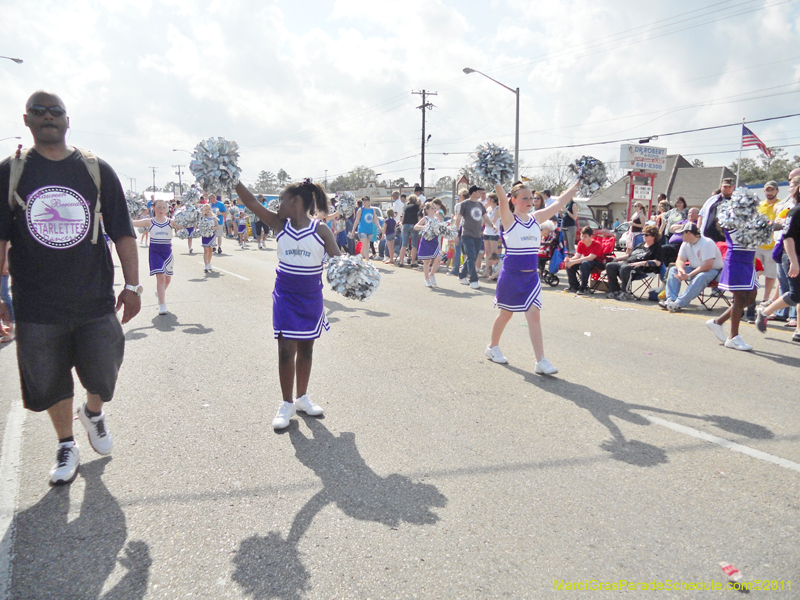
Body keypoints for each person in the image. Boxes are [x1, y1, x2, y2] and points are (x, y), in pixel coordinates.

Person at [0, 90, 141, 485]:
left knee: (104, 371)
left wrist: (133, 286)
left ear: (67, 120)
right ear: (26, 120)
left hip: (95, 300)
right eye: (39, 112)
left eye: (55, 111)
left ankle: (93, 412)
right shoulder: (11, 173)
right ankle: (66, 443)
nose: (48, 117)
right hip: (36, 305)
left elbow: (123, 234)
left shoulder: (96, 170)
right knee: (49, 380)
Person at [236, 179, 338, 430]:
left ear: (295, 202)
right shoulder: (278, 224)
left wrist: (355, 276)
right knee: (285, 350)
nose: (276, 204)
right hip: (285, 295)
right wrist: (231, 178)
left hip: (311, 297)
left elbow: (339, 260)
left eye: (281, 200)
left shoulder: (321, 230)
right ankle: (286, 403)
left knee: (306, 349)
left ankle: (302, 398)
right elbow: (251, 202)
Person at [484, 180, 580, 374]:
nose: (529, 201)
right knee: (506, 314)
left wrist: (575, 186)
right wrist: (497, 183)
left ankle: (540, 361)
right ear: (514, 200)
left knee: (534, 316)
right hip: (511, 276)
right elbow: (502, 199)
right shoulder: (509, 219)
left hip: (531, 278)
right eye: (524, 198)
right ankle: (492, 347)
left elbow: (558, 204)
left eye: (531, 198)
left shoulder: (536, 218)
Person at [705, 208, 760, 351]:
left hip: (748, 263)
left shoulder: (748, 223)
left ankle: (718, 322)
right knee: (740, 298)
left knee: (751, 298)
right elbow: (752, 231)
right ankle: (733, 337)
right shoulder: (732, 225)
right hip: (737, 263)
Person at [756, 181, 800, 342]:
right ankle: (765, 312)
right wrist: (794, 262)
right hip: (792, 256)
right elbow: (788, 238)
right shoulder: (795, 212)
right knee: (795, 294)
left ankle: (798, 331)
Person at [132, 199, 181, 315]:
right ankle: (162, 305)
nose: (161, 210)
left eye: (164, 207)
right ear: (153, 208)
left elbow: (186, 224)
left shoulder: (171, 222)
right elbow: (133, 222)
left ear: (167, 209)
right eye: (159, 207)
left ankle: (160, 293)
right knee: (161, 277)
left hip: (167, 253)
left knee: (168, 279)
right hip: (155, 252)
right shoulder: (149, 222)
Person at [660, 223, 723, 311]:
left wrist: (689, 275)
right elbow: (680, 260)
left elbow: (707, 266)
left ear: (689, 233)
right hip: (695, 268)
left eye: (682, 233)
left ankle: (679, 303)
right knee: (673, 269)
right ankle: (671, 300)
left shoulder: (707, 243)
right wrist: (681, 270)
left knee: (701, 276)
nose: (680, 235)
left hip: (714, 271)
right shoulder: (685, 243)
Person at [605, 225, 663, 300]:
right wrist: (616, 259)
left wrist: (641, 263)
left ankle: (625, 292)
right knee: (610, 265)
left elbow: (658, 262)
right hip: (627, 265)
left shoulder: (657, 248)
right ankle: (615, 290)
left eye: (646, 235)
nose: (643, 236)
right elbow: (629, 255)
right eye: (643, 234)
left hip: (640, 269)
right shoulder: (640, 245)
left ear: (654, 236)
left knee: (625, 268)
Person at [455, 185, 492, 289]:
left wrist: (492, 225)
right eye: (479, 191)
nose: (481, 193)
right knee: (471, 257)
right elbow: (458, 220)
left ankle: (462, 275)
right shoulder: (464, 204)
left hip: (477, 235)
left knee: (473, 257)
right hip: (467, 235)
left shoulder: (480, 205)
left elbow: (486, 218)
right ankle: (473, 280)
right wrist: (455, 234)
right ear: (474, 193)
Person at [564, 226, 604, 294]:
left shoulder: (597, 244)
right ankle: (574, 285)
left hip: (598, 262)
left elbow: (590, 257)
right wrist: (569, 260)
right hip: (586, 262)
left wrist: (573, 262)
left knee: (584, 263)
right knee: (570, 264)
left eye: (585, 236)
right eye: (582, 236)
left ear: (591, 236)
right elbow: (577, 256)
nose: (583, 238)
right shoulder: (580, 243)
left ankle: (583, 287)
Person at [414, 201, 444, 287]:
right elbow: (416, 227)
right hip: (426, 241)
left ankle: (432, 274)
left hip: (434, 241)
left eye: (435, 208)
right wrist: (424, 227)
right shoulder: (425, 218)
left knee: (438, 258)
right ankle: (426, 279)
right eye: (432, 208)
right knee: (426, 262)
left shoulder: (437, 219)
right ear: (427, 210)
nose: (434, 210)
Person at [699, 178, 734, 243]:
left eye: (730, 187)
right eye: (725, 187)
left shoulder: (736, 201)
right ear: (721, 186)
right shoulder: (712, 199)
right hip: (706, 238)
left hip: (724, 240)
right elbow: (701, 215)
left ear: (733, 187)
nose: (727, 189)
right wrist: (698, 231)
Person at [448, 188, 469, 275]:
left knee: (459, 250)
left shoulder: (460, 205)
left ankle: (456, 269)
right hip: (466, 228)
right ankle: (463, 269)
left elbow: (458, 219)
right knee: (464, 250)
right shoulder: (469, 205)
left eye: (459, 195)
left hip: (461, 228)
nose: (458, 197)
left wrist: (453, 218)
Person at [350, 196, 378, 260]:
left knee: (365, 246)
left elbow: (376, 220)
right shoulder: (361, 210)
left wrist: (379, 227)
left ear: (369, 202)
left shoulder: (372, 210)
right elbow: (356, 221)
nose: (364, 202)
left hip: (370, 230)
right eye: (363, 201)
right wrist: (353, 230)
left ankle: (360, 258)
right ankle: (368, 262)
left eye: (366, 201)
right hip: (362, 230)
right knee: (366, 246)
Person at [397, 194, 420, 267]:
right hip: (413, 225)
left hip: (405, 225)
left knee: (404, 244)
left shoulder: (405, 207)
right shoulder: (417, 207)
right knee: (414, 245)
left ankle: (401, 262)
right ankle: (413, 262)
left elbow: (403, 216)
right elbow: (418, 216)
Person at [482, 193, 501, 276]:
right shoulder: (487, 208)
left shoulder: (497, 209)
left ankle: (495, 271)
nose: (486, 200)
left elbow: (493, 221)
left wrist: (487, 222)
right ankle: (487, 271)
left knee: (494, 252)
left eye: (488, 199)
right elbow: (483, 220)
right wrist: (486, 222)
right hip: (486, 231)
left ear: (492, 200)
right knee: (487, 252)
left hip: (494, 232)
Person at [199, 204, 219, 273]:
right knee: (205, 250)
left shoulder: (213, 218)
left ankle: (209, 262)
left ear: (211, 209)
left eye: (208, 209)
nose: (207, 211)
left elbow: (217, 227)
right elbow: (199, 223)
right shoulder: (202, 217)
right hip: (204, 235)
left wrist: (211, 228)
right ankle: (205, 265)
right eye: (205, 209)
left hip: (211, 235)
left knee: (210, 250)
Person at [0, 244, 13, 343]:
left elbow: (6, 243)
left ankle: (11, 327)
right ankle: (1, 329)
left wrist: (5, 263)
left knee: (4, 295)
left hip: (2, 264)